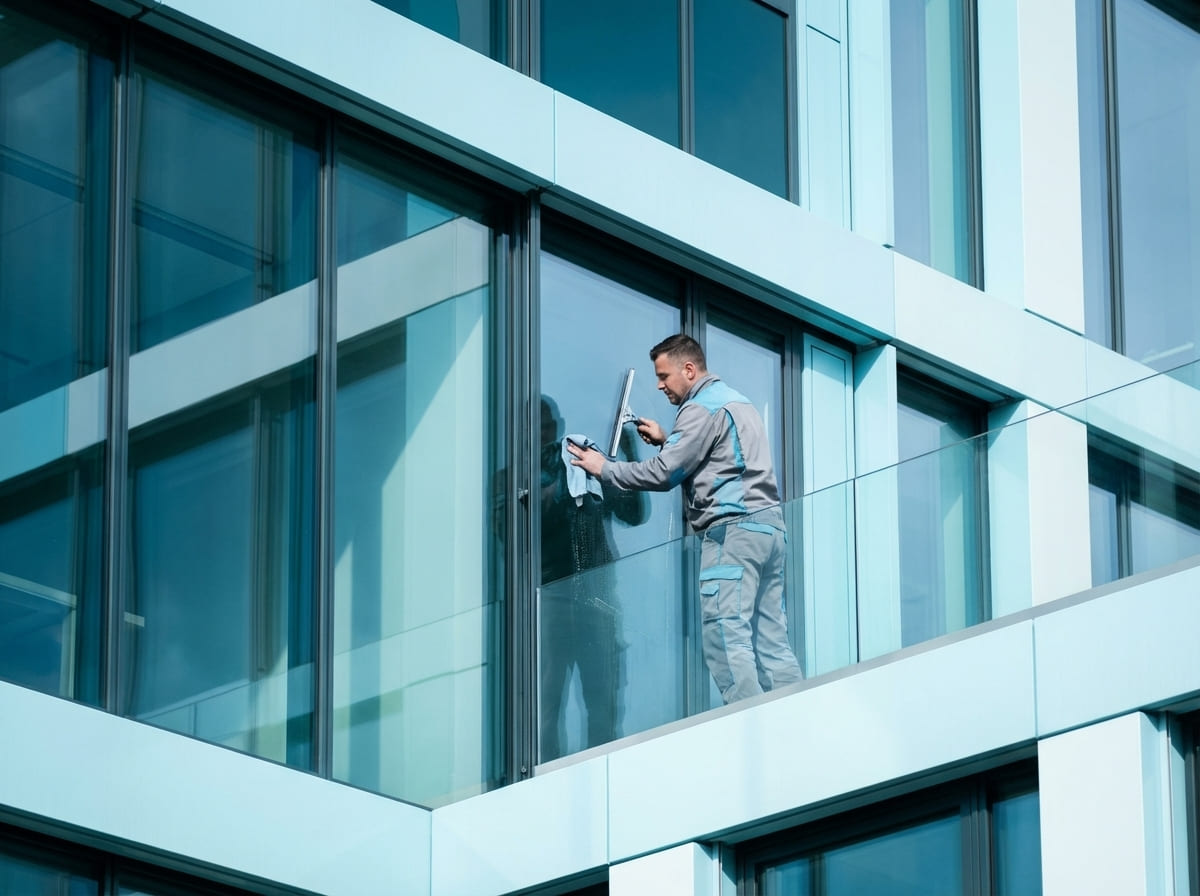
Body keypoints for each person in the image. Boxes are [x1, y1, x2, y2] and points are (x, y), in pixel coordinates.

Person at [567, 334, 803, 704]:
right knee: (772, 639)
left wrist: (606, 469)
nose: (659, 385)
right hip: (769, 530)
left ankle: (748, 720)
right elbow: (720, 461)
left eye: (664, 376)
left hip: (732, 534)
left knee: (727, 634)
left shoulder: (699, 409)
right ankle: (792, 715)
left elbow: (664, 474)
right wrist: (668, 440)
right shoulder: (739, 404)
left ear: (689, 369)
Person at [538, 394, 647, 758]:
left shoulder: (582, 465)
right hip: (551, 598)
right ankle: (544, 777)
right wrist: (553, 495)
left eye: (549, 424)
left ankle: (601, 773)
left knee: (603, 698)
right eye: (536, 426)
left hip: (598, 599)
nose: (544, 432)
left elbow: (633, 512)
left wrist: (622, 455)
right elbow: (510, 531)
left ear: (559, 427)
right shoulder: (514, 477)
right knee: (546, 703)